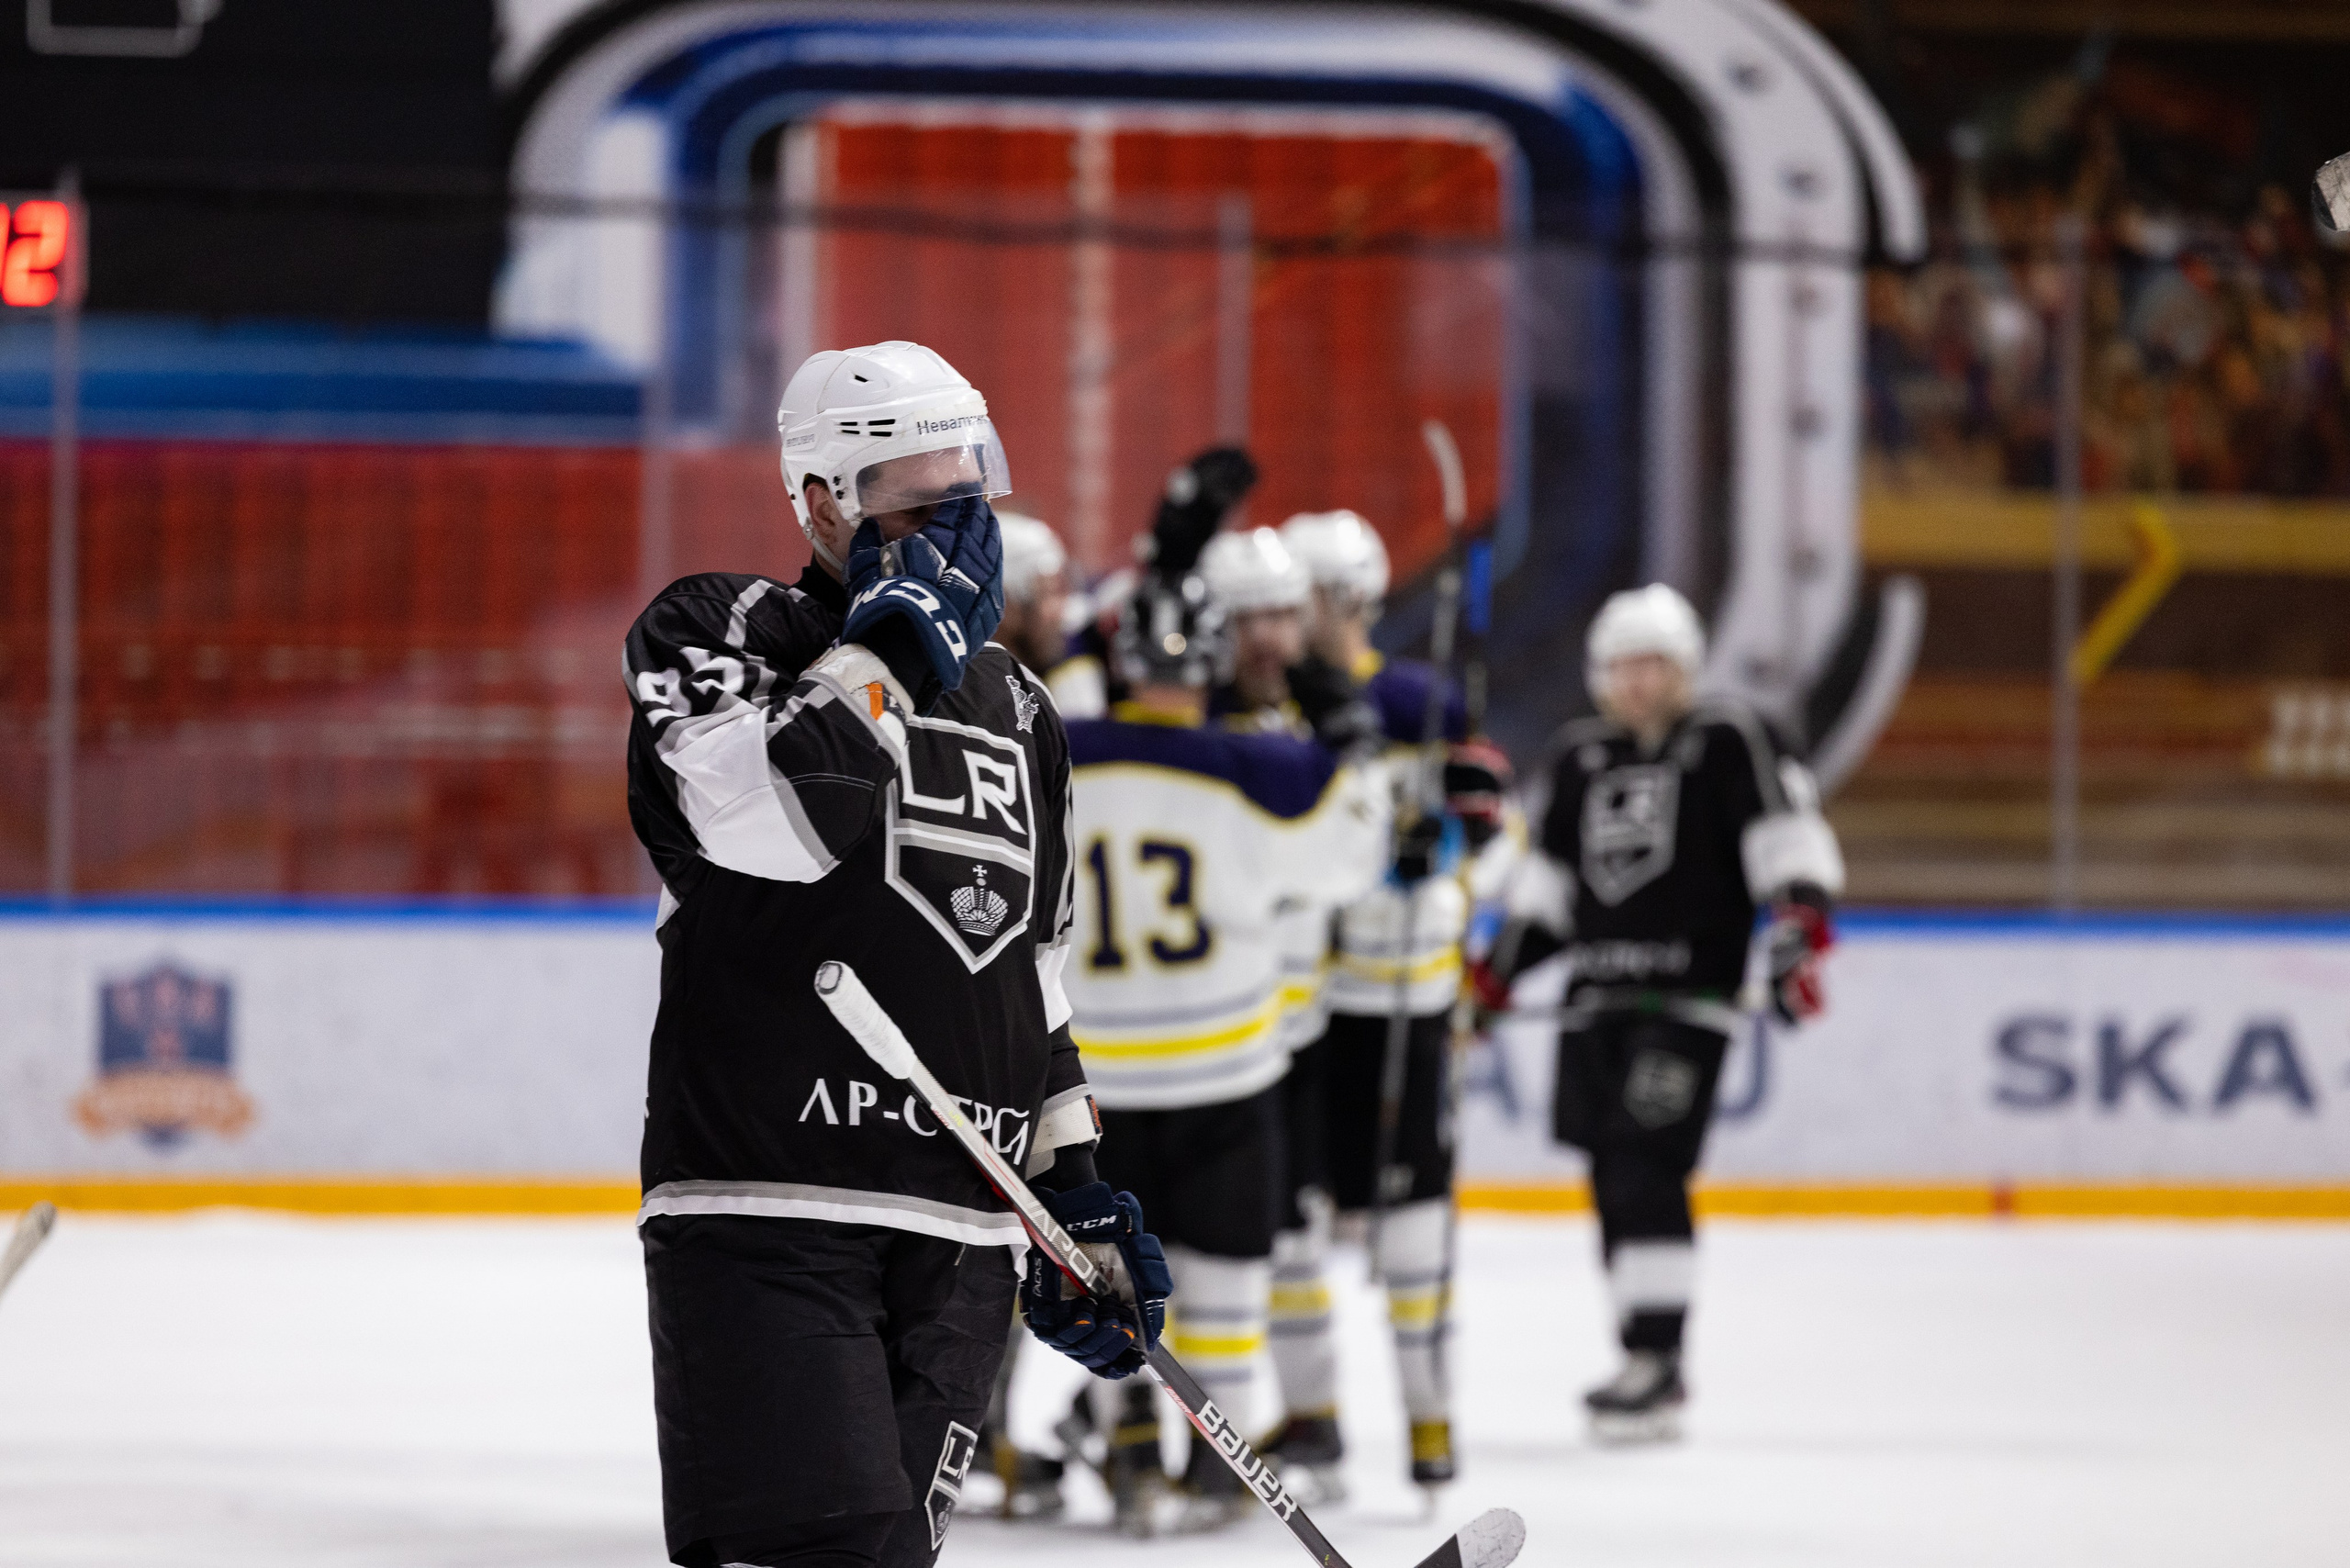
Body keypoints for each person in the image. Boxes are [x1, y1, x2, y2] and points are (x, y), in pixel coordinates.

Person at [623, 340, 1169, 1568]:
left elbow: (1034, 958)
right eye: (914, 492)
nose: (955, 520)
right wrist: (888, 653)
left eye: (965, 482)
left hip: (965, 1228)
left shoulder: (1019, 705)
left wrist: (1069, 1185)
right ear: (818, 497)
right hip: (770, 1198)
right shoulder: (721, 627)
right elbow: (772, 827)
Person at [1060, 457, 1392, 1536]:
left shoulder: (1055, 761)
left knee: (1107, 1285)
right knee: (1223, 1288)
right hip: (1227, 1075)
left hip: (1098, 1083)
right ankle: (1217, 1475)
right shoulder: (1255, 773)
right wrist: (1348, 717)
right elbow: (1355, 850)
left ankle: (1124, 1456)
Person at [1472, 582, 1842, 1442]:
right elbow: (1552, 890)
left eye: (1656, 665)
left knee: (1647, 1162)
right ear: (1602, 676)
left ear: (1686, 668)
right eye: (1624, 667)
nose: (1640, 683)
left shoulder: (1728, 740)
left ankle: (1660, 1359)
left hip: (1688, 1002)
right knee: (1610, 1171)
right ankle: (1642, 1351)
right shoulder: (1578, 757)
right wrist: (1495, 976)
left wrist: (1797, 929)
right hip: (1593, 1007)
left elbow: (1784, 839)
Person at [1258, 509, 1513, 1496]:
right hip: (1291, 1010)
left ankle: (1428, 1418)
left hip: (1393, 999)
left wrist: (1452, 849)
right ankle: (1312, 1417)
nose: (1296, 618)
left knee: (1411, 1224)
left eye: (1309, 598)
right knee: (1288, 1225)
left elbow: (1493, 835)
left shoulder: (1419, 701)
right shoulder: (1266, 705)